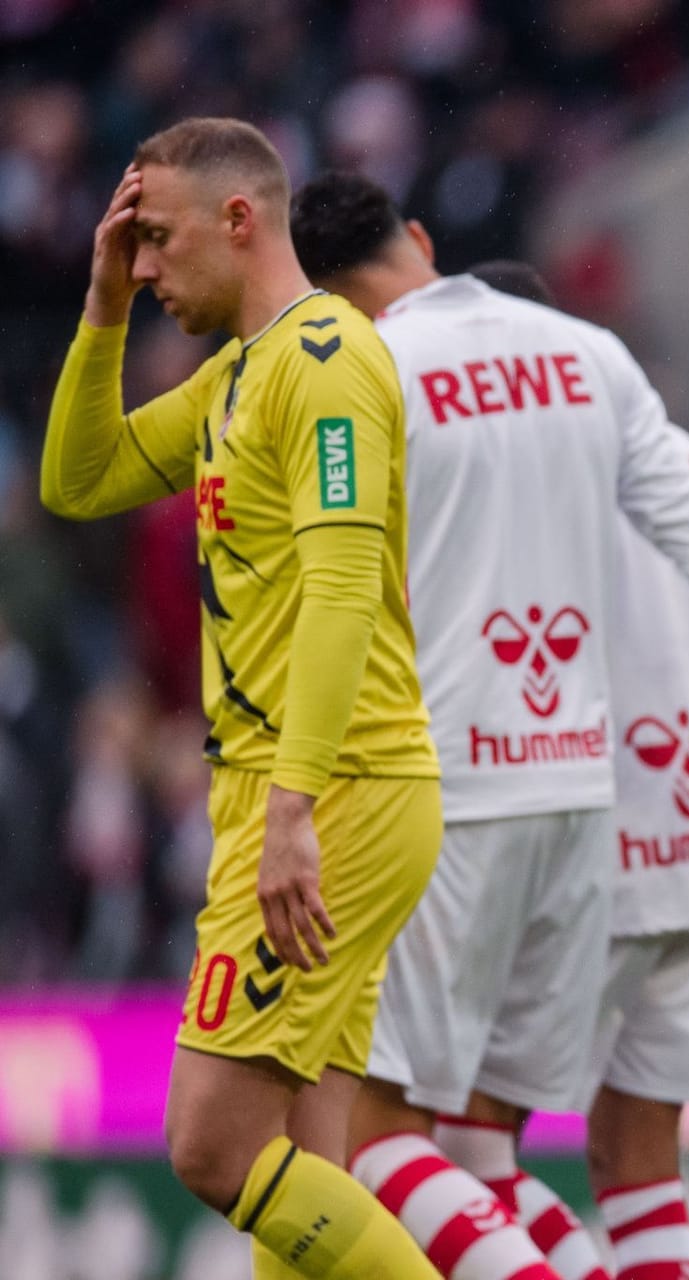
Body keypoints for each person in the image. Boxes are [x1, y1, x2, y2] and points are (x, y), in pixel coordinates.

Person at [288, 173, 689, 1280]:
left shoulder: (372, 376)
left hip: (486, 794)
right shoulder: (601, 376)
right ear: (421, 239)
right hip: (668, 834)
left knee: (403, 1133)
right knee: (626, 1165)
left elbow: (341, 592)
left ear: (323, 301)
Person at [40, 117, 443, 1279]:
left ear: (239, 218)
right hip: (306, 789)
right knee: (295, 1164)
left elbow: (340, 588)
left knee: (213, 1146)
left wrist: (293, 806)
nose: (149, 264)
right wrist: (104, 304)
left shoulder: (327, 361)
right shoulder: (242, 372)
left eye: (157, 241)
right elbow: (80, 476)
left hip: (334, 789)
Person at [470, 255, 689, 1280]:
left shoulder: (524, 469)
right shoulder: (680, 453)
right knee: (639, 1168)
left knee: (458, 1151)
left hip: (589, 850)